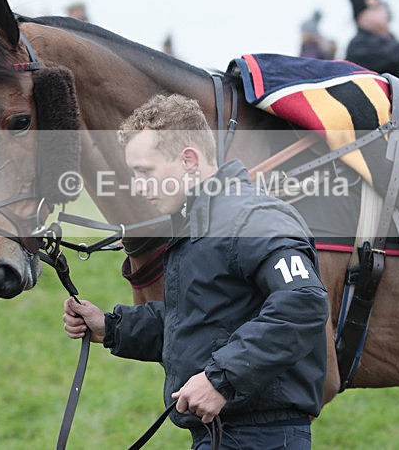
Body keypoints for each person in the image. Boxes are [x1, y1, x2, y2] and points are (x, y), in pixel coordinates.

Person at [63, 94, 329, 449]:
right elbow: (200, 321)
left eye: (145, 172)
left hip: (259, 437)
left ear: (189, 160)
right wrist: (112, 327)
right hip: (224, 434)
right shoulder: (197, 224)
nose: (139, 187)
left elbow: (303, 303)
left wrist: (221, 379)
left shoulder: (252, 218)